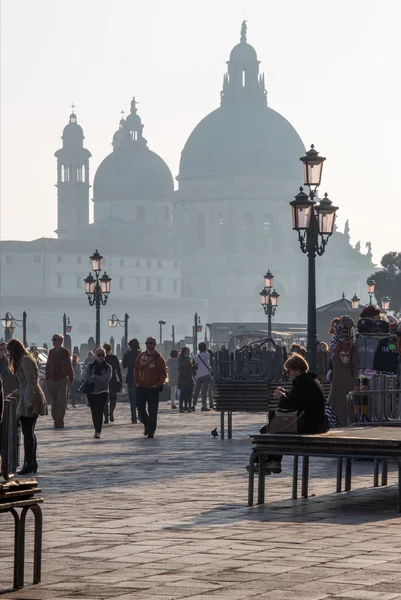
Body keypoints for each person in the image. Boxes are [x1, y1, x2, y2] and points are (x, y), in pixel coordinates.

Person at [263, 353, 328, 475]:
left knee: (271, 428)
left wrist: (281, 397)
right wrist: (285, 393)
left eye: (289, 370)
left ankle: (266, 461)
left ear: (297, 370)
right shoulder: (309, 380)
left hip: (308, 425)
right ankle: (269, 461)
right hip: (316, 423)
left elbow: (291, 405)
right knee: (271, 428)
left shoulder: (303, 383)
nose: (287, 373)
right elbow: (299, 400)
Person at [7, 339, 47, 475]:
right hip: (27, 396)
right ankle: (31, 462)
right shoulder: (25, 359)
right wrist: (12, 395)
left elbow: (31, 382)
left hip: (30, 398)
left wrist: (28, 402)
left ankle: (29, 463)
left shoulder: (25, 360)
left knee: (28, 432)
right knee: (29, 432)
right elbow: (24, 385)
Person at [134, 337, 167, 438]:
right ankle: (146, 424)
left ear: (154, 344)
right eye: (147, 343)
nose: (148, 345)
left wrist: (157, 385)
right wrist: (136, 382)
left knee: (153, 410)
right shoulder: (140, 356)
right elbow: (136, 369)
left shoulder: (159, 359)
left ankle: (151, 430)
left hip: (153, 388)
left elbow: (163, 374)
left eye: (151, 343)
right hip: (141, 386)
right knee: (140, 408)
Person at [45, 333, 74, 428]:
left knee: (61, 402)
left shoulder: (65, 352)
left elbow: (69, 365)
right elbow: (48, 365)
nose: (53, 342)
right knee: (53, 402)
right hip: (52, 379)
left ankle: (60, 420)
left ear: (60, 341)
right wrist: (47, 377)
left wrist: (71, 377)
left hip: (62, 379)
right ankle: (55, 420)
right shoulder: (51, 352)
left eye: (55, 340)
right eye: (53, 340)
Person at [84, 347, 112, 439]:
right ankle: (96, 428)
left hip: (103, 391)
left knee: (99, 411)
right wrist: (100, 378)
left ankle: (98, 431)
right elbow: (87, 378)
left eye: (102, 355)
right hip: (92, 392)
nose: (100, 357)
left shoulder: (108, 367)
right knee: (94, 411)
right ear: (95, 355)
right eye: (98, 355)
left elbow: (107, 379)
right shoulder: (90, 366)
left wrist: (95, 377)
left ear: (105, 355)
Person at [122, 339, 141, 424]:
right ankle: (141, 415)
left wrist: (126, 354)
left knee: (132, 398)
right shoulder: (140, 354)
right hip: (140, 378)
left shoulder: (127, 354)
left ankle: (134, 417)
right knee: (140, 398)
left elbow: (124, 365)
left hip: (130, 377)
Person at [103, 342, 122, 423]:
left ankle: (106, 417)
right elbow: (118, 369)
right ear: (110, 349)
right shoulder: (114, 357)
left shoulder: (102, 357)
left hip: (103, 380)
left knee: (104, 399)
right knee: (113, 398)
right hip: (113, 379)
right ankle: (111, 412)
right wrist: (120, 379)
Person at [192, 342, 211, 411]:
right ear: (205, 348)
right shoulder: (207, 355)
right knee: (204, 391)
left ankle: (193, 405)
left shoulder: (195, 357)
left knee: (196, 391)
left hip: (198, 376)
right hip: (206, 375)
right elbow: (211, 357)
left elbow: (194, 367)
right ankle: (204, 405)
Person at [178, 347, 194, 412]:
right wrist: (194, 367)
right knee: (189, 393)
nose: (189, 352)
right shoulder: (189, 359)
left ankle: (181, 407)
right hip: (188, 378)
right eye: (188, 350)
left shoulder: (179, 359)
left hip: (181, 377)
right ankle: (188, 407)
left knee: (182, 393)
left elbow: (178, 368)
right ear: (185, 351)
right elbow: (190, 369)